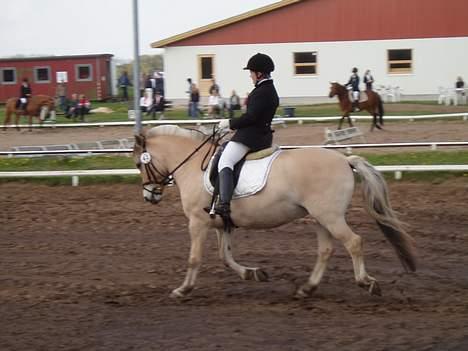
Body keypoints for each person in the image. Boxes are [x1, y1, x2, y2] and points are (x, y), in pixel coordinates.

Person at [215, 53, 279, 223]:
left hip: (251, 138)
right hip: (262, 135)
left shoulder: (261, 92)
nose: (250, 76)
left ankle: (224, 204)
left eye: (251, 72)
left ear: (259, 73)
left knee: (225, 161)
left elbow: (251, 117)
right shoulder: (269, 90)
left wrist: (229, 123)